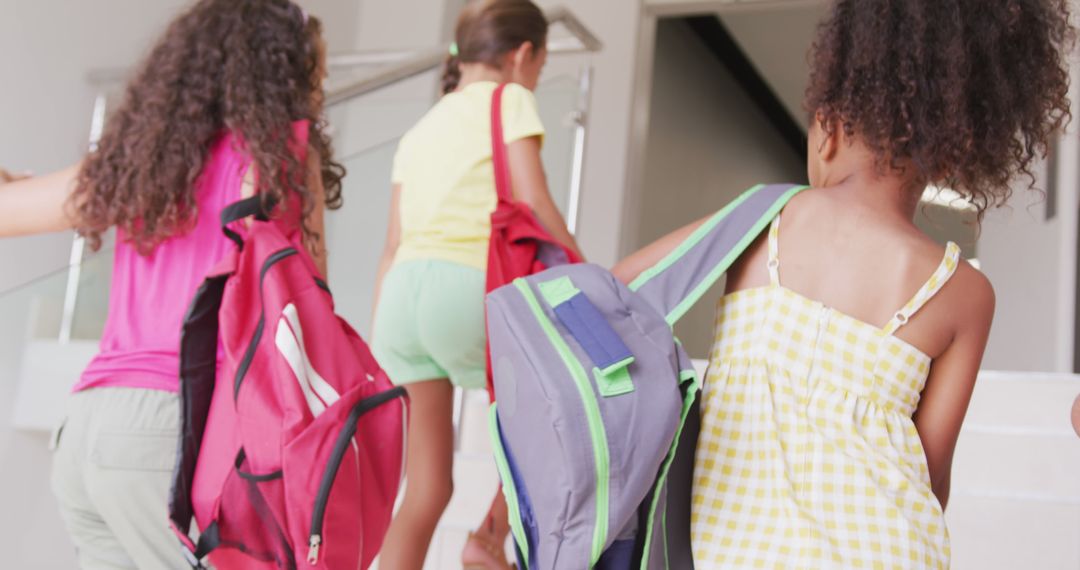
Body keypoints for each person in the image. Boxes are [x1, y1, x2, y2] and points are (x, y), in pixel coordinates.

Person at [615, 0, 1072, 567]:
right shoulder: (964, 292)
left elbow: (614, 293)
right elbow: (930, 477)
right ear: (950, 150)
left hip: (729, 552)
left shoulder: (761, 220)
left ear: (827, 129)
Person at [0, 1, 343, 567]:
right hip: (174, 431)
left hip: (88, 427)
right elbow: (309, 304)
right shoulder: (278, 157)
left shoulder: (141, 159)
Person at [371, 1, 582, 568]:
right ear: (523, 55)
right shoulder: (511, 98)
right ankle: (488, 538)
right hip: (464, 288)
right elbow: (533, 201)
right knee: (554, 413)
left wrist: (378, 341)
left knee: (425, 488)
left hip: (400, 305)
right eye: (538, 66)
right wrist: (583, 273)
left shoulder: (419, 128)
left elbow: (392, 243)